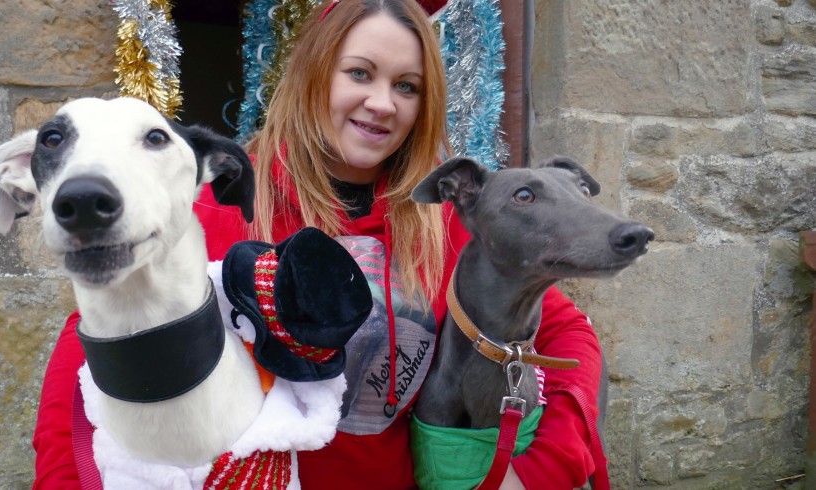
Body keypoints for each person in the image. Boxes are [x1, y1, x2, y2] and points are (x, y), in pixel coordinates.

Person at [31, 1, 605, 489]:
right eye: (360, 73)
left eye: (406, 86)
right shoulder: (221, 202)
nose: (383, 103)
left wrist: (537, 471)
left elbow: (565, 335)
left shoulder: (446, 221)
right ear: (315, 73)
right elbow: (90, 352)